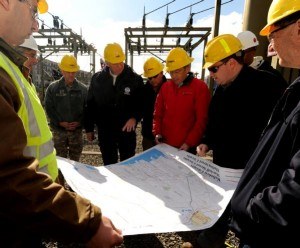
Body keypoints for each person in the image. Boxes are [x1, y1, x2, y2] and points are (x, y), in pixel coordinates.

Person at [0, 0, 123, 246]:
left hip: (32, 199)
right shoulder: (10, 72)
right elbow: (7, 175)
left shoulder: (12, 70)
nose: (36, 24)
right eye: (33, 10)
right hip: (22, 204)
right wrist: (86, 221)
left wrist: (80, 126)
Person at [196, 34, 286, 248]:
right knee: (220, 211)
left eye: (213, 68)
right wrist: (207, 141)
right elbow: (214, 122)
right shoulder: (221, 90)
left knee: (251, 223)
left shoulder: (268, 86)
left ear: (232, 63)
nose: (210, 74)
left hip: (255, 174)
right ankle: (210, 242)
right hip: (224, 169)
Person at [230, 0, 300, 247]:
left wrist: (249, 209)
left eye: (273, 33)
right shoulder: (296, 88)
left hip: (267, 235)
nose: (269, 44)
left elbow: (293, 196)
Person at [84, 42, 144, 165]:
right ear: (107, 63)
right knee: (109, 163)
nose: (120, 65)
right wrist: (89, 128)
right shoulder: (97, 79)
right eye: (115, 63)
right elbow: (90, 105)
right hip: (106, 132)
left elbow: (141, 104)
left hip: (126, 132)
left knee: (127, 164)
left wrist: (134, 117)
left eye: (121, 61)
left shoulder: (134, 79)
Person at [152, 47, 210, 154]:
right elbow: (158, 114)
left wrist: (189, 142)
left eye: (177, 71)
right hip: (164, 145)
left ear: (187, 68)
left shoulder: (200, 88)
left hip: (187, 147)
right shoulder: (165, 87)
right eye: (171, 72)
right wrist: (157, 133)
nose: (173, 76)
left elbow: (201, 120)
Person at [45, 54, 87, 162]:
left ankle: (73, 179)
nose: (71, 75)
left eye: (73, 72)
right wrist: (59, 122)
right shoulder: (53, 88)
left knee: (75, 162)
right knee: (59, 161)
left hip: (76, 132)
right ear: (62, 71)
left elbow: (88, 109)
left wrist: (79, 122)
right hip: (59, 132)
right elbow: (49, 108)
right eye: (68, 72)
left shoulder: (83, 90)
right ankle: (60, 179)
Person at [142, 57, 166, 151]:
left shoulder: (170, 90)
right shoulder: (144, 90)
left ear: (161, 73)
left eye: (155, 76)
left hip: (164, 137)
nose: (152, 80)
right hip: (148, 135)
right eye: (149, 77)